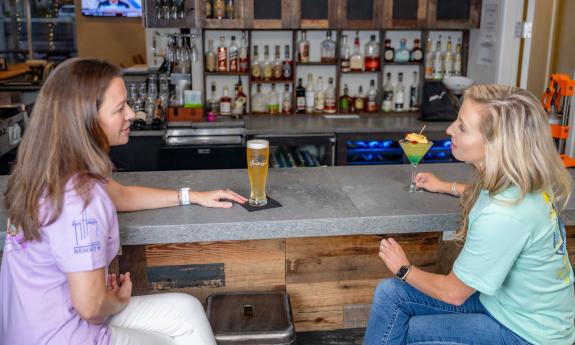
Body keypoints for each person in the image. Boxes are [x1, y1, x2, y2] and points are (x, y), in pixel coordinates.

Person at [0, 57, 247, 345]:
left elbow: (120, 195)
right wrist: (118, 300)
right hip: (62, 336)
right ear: (86, 121)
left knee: (186, 310)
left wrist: (191, 196)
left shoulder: (49, 168)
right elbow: (91, 308)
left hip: (29, 327)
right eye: (120, 108)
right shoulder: (80, 198)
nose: (133, 114)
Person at [364, 85, 575, 345]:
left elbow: (453, 293)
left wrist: (403, 268)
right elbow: (486, 194)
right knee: (390, 294)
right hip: (506, 306)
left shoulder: (503, 215)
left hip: (526, 334)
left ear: (496, 143)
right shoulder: (519, 181)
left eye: (462, 126)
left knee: (405, 330)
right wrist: (445, 186)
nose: (450, 129)